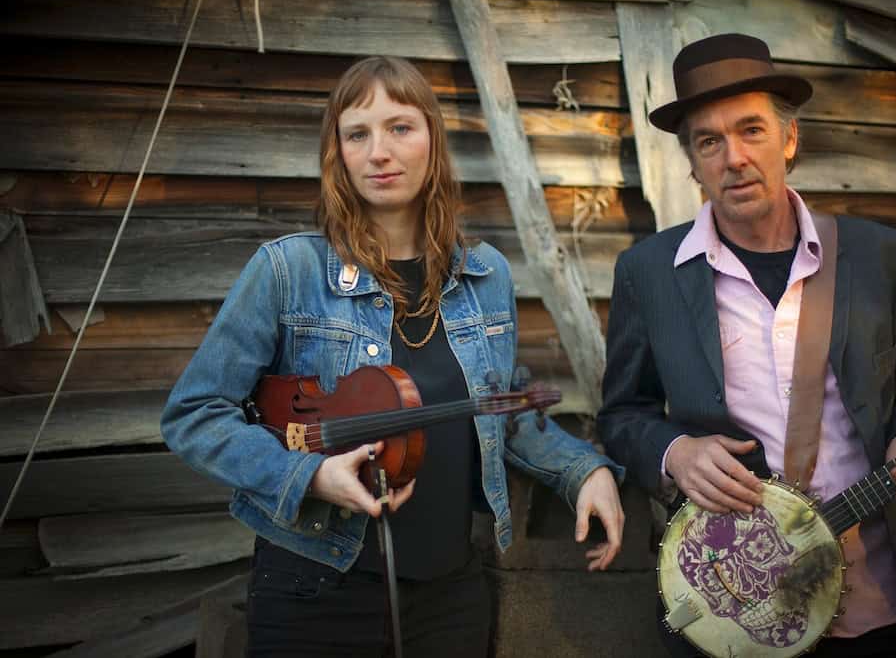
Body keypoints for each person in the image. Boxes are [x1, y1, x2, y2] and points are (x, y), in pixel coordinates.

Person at [161, 56, 625, 658]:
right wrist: (308, 476)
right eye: (358, 133)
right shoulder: (287, 271)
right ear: (340, 154)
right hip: (316, 585)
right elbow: (194, 413)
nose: (379, 151)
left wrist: (583, 469)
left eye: (400, 127)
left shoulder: (486, 276)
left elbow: (501, 411)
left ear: (432, 139)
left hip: (451, 588)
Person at [597, 34, 896, 657]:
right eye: (709, 141)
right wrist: (675, 451)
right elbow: (623, 415)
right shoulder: (647, 273)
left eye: (752, 130)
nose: (733, 158)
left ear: (790, 140)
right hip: (737, 610)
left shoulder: (879, 255)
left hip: (879, 597)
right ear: (692, 163)